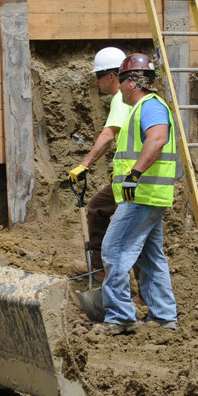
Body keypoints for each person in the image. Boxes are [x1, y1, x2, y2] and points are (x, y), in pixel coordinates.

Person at [98, 52, 179, 335]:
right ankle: (164, 316)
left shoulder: (151, 107)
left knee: (115, 250)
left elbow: (156, 140)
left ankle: (120, 316)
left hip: (142, 196)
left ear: (132, 83)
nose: (118, 88)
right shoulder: (143, 108)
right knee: (150, 257)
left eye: (121, 82)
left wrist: (134, 175)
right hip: (148, 195)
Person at [68, 46, 129, 275]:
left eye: (98, 76)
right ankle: (99, 265)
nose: (96, 82)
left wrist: (85, 164)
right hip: (128, 176)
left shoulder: (121, 99)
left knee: (133, 235)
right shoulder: (127, 97)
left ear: (111, 76)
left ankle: (100, 267)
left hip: (133, 179)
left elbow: (109, 134)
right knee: (97, 209)